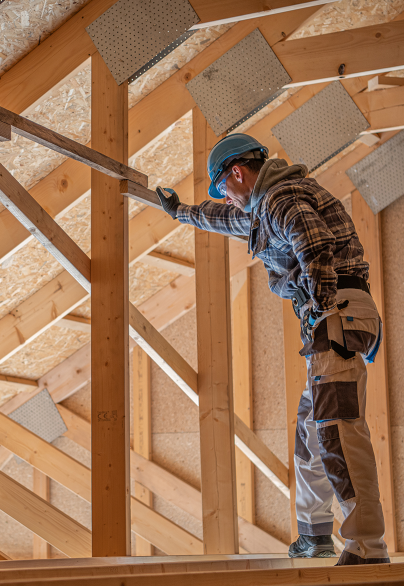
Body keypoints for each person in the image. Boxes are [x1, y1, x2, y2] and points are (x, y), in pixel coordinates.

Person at [157, 133, 389, 566]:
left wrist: (320, 306)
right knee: (311, 432)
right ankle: (315, 533)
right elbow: (223, 220)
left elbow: (314, 242)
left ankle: (367, 546)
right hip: (335, 318)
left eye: (223, 188)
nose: (225, 199)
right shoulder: (266, 208)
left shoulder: (283, 197)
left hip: (335, 316)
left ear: (238, 174)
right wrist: (178, 212)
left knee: (337, 428)